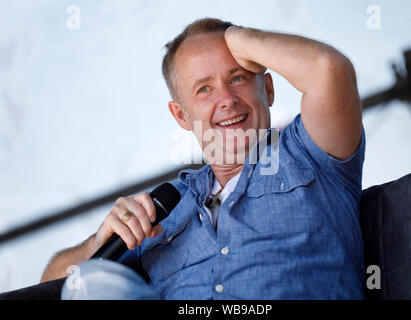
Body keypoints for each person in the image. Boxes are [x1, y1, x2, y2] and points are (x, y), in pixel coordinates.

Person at [41, 17, 366, 299]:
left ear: (267, 88)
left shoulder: (308, 153)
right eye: (204, 89)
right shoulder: (161, 207)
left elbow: (329, 69)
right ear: (181, 116)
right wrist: (98, 243)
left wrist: (238, 37)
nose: (226, 99)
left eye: (237, 77)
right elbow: (49, 290)